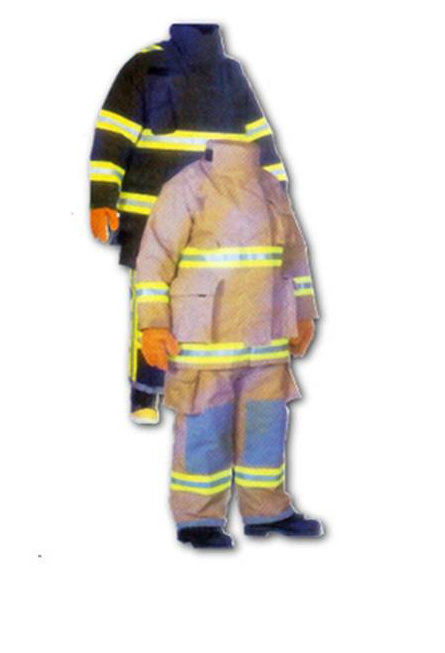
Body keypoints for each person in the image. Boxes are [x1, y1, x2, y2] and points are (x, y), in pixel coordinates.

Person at [88, 24, 291, 424]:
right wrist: (102, 196)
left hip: (215, 216)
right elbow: (114, 131)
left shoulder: (230, 74)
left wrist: (276, 198)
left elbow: (259, 141)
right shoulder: (146, 66)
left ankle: (198, 388)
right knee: (153, 295)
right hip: (150, 212)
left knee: (206, 301)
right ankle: (146, 389)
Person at [134, 139, 323, 548]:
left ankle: (267, 510)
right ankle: (197, 519)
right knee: (205, 430)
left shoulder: (270, 187)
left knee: (265, 429)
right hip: (205, 342)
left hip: (267, 341)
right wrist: (152, 325)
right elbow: (153, 261)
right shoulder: (187, 186)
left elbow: (294, 257)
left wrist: (304, 312)